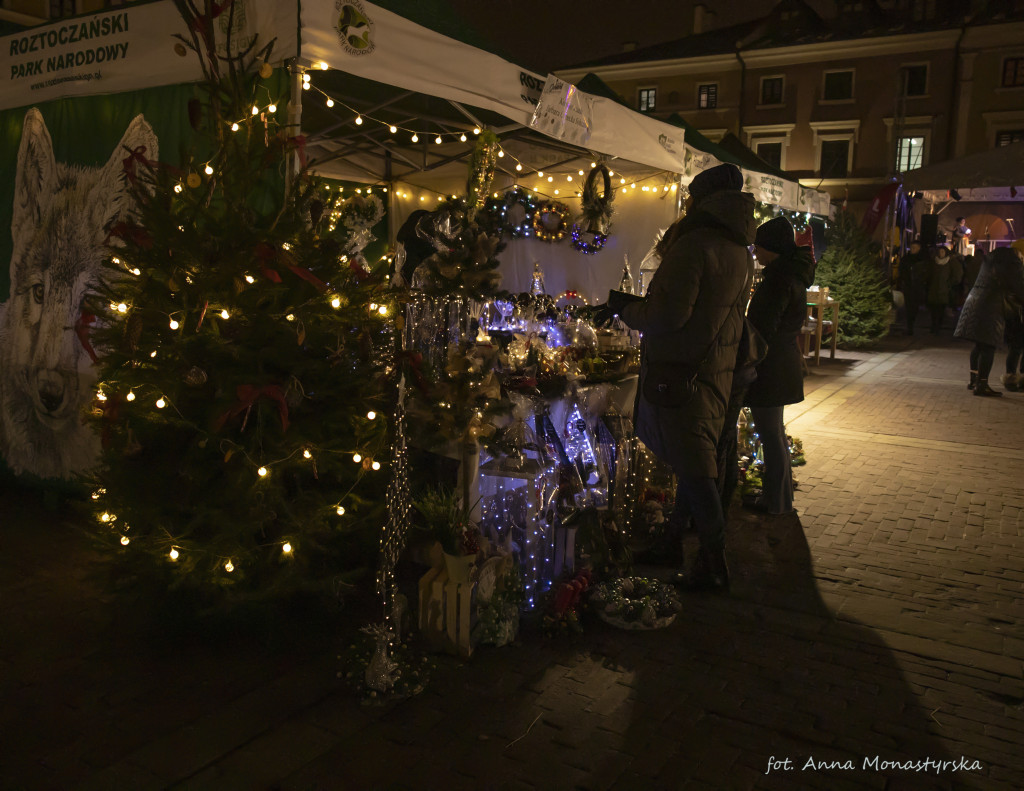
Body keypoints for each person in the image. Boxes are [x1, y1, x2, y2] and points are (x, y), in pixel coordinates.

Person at [598, 163, 755, 591]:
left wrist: (624, 307)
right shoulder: (739, 247)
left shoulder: (695, 246)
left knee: (697, 469)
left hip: (684, 372)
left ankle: (713, 563)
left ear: (700, 201)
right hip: (713, 369)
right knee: (694, 462)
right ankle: (675, 542)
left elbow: (667, 315)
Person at [743, 216, 816, 516]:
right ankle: (781, 498)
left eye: (759, 247)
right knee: (773, 434)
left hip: (771, 368)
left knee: (771, 435)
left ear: (771, 248)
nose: (756, 253)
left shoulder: (778, 280)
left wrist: (748, 360)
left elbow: (762, 329)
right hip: (782, 364)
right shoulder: (791, 275)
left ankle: (776, 502)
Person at [954, 247, 1024, 396]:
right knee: (988, 346)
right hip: (991, 307)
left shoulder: (991, 261)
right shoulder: (1011, 262)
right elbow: (1019, 287)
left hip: (976, 302)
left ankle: (974, 380)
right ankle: (982, 384)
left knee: (979, 345)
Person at [926, 243, 963, 333]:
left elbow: (957, 274)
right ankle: (934, 325)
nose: (941, 253)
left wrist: (950, 283)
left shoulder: (951, 262)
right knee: (933, 309)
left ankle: (938, 325)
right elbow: (928, 274)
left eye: (942, 251)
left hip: (944, 290)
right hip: (933, 290)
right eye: (939, 251)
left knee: (941, 309)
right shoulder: (934, 262)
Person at [898, 239, 930, 335]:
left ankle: (912, 324)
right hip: (908, 286)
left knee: (914, 307)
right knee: (909, 307)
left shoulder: (922, 260)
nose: (912, 249)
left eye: (915, 248)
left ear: (919, 248)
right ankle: (909, 326)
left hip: (917, 287)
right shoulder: (906, 259)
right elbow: (902, 270)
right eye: (912, 247)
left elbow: (926, 273)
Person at [1001, 299, 1024, 392]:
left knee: (1015, 349)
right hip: (1016, 320)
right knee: (1015, 349)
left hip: (1015, 318)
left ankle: (1015, 379)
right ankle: (1010, 379)